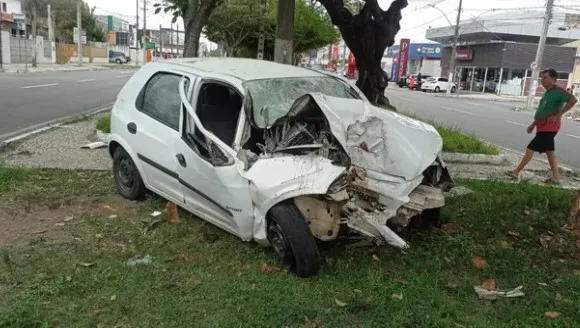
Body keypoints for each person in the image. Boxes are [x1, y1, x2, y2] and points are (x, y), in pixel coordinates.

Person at [509, 69, 578, 184]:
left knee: (530, 148)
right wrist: (533, 124)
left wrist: (558, 115)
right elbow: (543, 111)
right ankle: (556, 176)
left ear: (553, 79)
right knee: (549, 151)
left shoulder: (558, 91)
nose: (542, 80)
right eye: (542, 77)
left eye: (545, 77)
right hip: (542, 126)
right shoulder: (547, 93)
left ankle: (516, 172)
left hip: (550, 126)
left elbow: (573, 100)